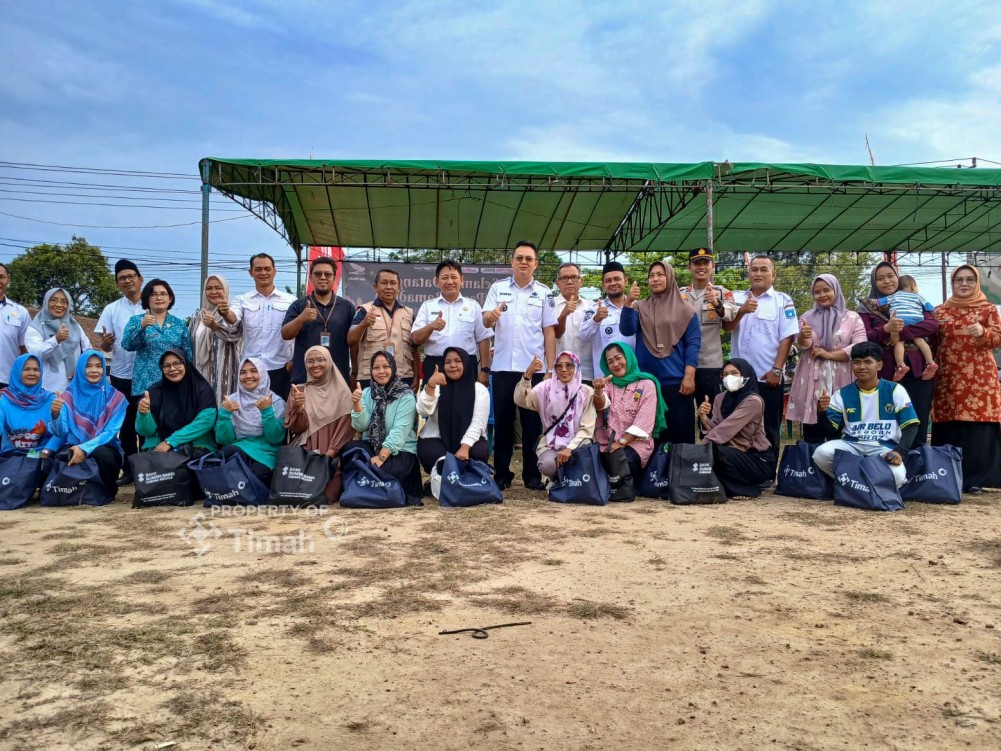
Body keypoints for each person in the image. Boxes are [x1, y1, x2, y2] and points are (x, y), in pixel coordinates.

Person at [483, 241, 557, 491]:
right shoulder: (498, 288)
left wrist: (550, 370)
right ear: (512, 262)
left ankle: (532, 476)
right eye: (519, 258)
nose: (523, 262)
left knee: (532, 425)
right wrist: (491, 316)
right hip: (503, 367)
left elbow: (549, 332)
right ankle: (502, 474)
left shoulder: (545, 293)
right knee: (503, 423)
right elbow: (485, 320)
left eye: (528, 258)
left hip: (534, 369)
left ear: (536, 263)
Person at [930, 265, 1001, 493]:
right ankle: (947, 476)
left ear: (977, 282)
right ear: (952, 283)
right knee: (949, 425)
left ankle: (975, 480)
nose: (964, 284)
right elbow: (931, 343)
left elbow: (998, 339)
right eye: (959, 279)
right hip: (948, 377)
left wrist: (983, 332)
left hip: (980, 378)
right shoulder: (940, 311)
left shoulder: (988, 309)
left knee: (977, 429)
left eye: (970, 279)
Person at [811, 342, 919, 489]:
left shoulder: (895, 390)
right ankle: (860, 486)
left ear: (879, 365)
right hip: (852, 445)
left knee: (898, 478)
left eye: (868, 362)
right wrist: (822, 413)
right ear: (851, 365)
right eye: (857, 362)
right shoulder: (842, 394)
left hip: (884, 447)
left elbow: (911, 425)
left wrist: (900, 451)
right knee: (820, 454)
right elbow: (830, 431)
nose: (862, 367)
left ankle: (854, 484)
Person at [620, 260, 701, 445]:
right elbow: (627, 329)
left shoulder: (686, 311)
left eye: (660, 275)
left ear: (670, 277)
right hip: (648, 384)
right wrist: (628, 302)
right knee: (650, 438)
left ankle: (679, 465)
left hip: (676, 382)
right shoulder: (640, 307)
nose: (655, 279)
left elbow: (693, 344)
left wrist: (689, 376)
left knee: (680, 437)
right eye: (651, 276)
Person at [857, 261, 938, 446]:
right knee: (887, 424)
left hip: (919, 372)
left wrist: (900, 332)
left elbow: (932, 325)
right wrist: (886, 329)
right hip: (885, 374)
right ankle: (887, 462)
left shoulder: (913, 300)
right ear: (874, 282)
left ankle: (917, 462)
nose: (887, 281)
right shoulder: (867, 307)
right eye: (880, 278)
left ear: (897, 277)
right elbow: (864, 337)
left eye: (890, 276)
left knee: (917, 421)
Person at [725, 255, 798, 459]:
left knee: (769, 429)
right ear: (748, 273)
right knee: (737, 428)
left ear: (773, 274)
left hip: (768, 378)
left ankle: (768, 470)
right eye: (754, 269)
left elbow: (788, 337)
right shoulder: (735, 297)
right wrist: (741, 311)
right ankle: (742, 468)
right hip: (738, 380)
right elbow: (726, 326)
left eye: (764, 269)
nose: (758, 273)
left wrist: (777, 370)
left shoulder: (783, 301)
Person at [785, 274, 867, 443]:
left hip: (842, 378)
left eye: (826, 290)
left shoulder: (852, 318)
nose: (822, 295)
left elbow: (860, 347)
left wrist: (828, 355)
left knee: (841, 430)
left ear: (836, 290)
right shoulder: (807, 317)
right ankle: (812, 459)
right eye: (817, 292)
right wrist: (804, 336)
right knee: (813, 432)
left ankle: (841, 459)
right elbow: (804, 345)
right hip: (812, 378)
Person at [49, 350, 127, 498]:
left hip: (104, 446)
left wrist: (84, 448)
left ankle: (104, 493)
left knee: (104, 455)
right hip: (73, 445)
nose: (94, 370)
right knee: (60, 457)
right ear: (80, 369)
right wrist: (55, 414)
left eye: (99, 366)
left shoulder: (116, 398)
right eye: (88, 366)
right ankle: (71, 494)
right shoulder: (66, 396)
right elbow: (60, 432)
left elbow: (110, 433)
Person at [346, 351, 422, 499]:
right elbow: (361, 427)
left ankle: (365, 486)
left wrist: (381, 457)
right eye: (376, 368)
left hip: (400, 450)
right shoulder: (367, 393)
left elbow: (400, 432)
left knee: (385, 472)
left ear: (393, 368)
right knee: (350, 451)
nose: (381, 371)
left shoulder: (406, 395)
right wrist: (356, 404)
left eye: (386, 366)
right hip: (373, 446)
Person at [284, 346, 355, 502]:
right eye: (310, 361)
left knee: (326, 495)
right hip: (304, 451)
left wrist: (328, 455)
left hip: (331, 453)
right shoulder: (299, 391)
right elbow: (297, 428)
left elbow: (346, 428)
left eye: (320, 360)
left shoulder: (343, 392)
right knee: (297, 494)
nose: (315, 365)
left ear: (328, 362)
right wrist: (297, 409)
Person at [97, 259, 146, 483]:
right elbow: (105, 346)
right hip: (121, 374)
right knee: (126, 424)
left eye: (131, 276)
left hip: (148, 374)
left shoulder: (151, 304)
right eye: (122, 278)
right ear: (117, 284)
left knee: (147, 421)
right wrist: (105, 343)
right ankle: (128, 470)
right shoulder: (111, 309)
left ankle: (148, 467)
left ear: (140, 278)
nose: (127, 281)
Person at [698, 359, 776, 499]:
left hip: (756, 458)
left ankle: (747, 489)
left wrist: (699, 450)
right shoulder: (719, 398)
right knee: (714, 453)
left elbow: (725, 430)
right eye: (725, 374)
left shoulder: (753, 401)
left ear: (745, 375)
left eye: (734, 373)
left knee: (715, 452)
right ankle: (730, 488)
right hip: (732, 452)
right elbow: (717, 428)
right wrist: (704, 419)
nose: (729, 377)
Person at [223, 253, 296, 401]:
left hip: (281, 367)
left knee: (280, 410)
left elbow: (298, 332)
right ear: (251, 272)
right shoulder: (242, 300)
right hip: (251, 369)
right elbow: (233, 318)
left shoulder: (290, 300)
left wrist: (295, 359)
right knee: (250, 410)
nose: (263, 273)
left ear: (274, 271)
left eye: (267, 269)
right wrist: (225, 313)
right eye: (258, 269)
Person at [515, 351, 596, 482]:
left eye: (569, 365)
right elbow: (521, 401)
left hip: (580, 445)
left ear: (576, 367)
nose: (564, 369)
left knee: (582, 463)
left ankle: (574, 483)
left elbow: (587, 428)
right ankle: (556, 481)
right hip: (552, 445)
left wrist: (570, 448)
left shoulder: (586, 391)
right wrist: (527, 376)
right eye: (559, 366)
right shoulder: (546, 388)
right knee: (547, 465)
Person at [592, 343, 667, 480]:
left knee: (622, 462)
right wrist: (598, 391)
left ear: (628, 357)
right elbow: (600, 406)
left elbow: (643, 423)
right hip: (606, 443)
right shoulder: (608, 384)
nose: (615, 364)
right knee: (589, 461)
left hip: (636, 444)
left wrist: (620, 443)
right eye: (610, 361)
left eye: (618, 358)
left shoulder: (646, 384)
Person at [412, 261, 492, 384]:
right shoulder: (427, 306)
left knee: (466, 397)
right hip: (435, 365)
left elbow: (483, 339)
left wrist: (485, 370)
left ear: (462, 280)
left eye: (454, 277)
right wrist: (431, 327)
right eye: (444, 278)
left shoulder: (473, 306)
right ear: (437, 281)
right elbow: (415, 339)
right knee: (434, 397)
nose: (450, 282)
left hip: (466, 364)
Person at [281, 256, 355, 386]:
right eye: (318, 274)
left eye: (328, 274)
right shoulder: (299, 305)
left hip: (338, 378)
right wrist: (301, 319)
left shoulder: (347, 307)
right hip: (305, 378)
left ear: (334, 278)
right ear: (310, 277)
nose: (323, 277)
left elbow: (354, 343)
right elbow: (286, 334)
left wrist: (354, 372)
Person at [679, 247, 738, 407]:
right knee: (682, 412)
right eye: (696, 263)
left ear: (713, 266)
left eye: (706, 263)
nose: (701, 267)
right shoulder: (680, 294)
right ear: (689, 267)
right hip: (683, 363)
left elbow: (731, 315)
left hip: (710, 364)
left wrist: (717, 303)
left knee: (710, 412)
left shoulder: (722, 293)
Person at [416, 346, 491, 473]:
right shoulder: (436, 386)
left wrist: (465, 447)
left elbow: (478, 422)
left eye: (458, 361)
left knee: (479, 451)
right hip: (438, 436)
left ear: (466, 363)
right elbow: (423, 411)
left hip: (469, 439)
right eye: (448, 362)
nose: (452, 365)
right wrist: (430, 385)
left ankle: (469, 479)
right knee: (430, 453)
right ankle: (441, 480)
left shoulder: (479, 389)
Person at [215, 357, 287, 487]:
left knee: (258, 474)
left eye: (254, 371)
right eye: (243, 372)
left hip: (266, 452)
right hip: (238, 448)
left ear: (262, 374)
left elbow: (276, 438)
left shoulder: (276, 401)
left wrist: (267, 411)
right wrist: (224, 414)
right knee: (227, 454)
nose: (248, 376)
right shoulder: (231, 401)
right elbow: (223, 440)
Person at [347, 268, 418, 390]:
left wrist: (416, 377)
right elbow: (350, 340)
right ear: (375, 286)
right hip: (371, 377)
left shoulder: (408, 313)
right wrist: (363, 324)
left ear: (399, 287)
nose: (389, 287)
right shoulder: (365, 310)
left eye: (393, 283)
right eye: (384, 283)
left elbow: (414, 348)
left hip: (403, 376)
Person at [136, 349, 217, 455]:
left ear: (186, 364)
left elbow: (205, 422)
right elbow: (146, 431)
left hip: (195, 446)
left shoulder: (202, 390)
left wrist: (170, 441)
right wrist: (143, 414)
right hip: (158, 448)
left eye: (177, 363)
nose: (172, 369)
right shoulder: (154, 392)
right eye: (166, 366)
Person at [121, 279, 193, 396]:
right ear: (146, 298)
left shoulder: (179, 324)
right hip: (145, 385)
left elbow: (187, 355)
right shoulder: (136, 320)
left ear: (170, 298)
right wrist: (142, 326)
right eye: (153, 294)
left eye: (163, 294)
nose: (158, 298)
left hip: (174, 384)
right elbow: (127, 345)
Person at [868, 274, 938, 381]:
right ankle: (930, 362)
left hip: (899, 321)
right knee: (920, 341)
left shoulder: (894, 296)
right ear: (913, 286)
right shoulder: (918, 296)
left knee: (899, 342)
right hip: (916, 321)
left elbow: (879, 302)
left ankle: (900, 365)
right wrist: (934, 313)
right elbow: (930, 308)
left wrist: (870, 301)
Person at [189, 274, 242, 403]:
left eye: (218, 288)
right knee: (203, 408)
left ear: (225, 291)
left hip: (225, 375)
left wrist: (214, 325)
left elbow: (233, 334)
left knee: (224, 407)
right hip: (200, 373)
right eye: (209, 288)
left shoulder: (232, 314)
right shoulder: (197, 318)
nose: (213, 292)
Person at [579, 261, 636, 380]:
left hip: (634, 377)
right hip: (606, 379)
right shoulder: (595, 309)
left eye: (617, 279)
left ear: (625, 281)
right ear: (603, 285)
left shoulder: (638, 307)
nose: (613, 283)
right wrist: (596, 319)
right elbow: (583, 337)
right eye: (608, 280)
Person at [25, 288, 88, 392]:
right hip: (45, 390)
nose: (59, 304)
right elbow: (35, 355)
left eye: (64, 301)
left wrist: (80, 369)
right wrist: (55, 340)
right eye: (53, 300)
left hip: (73, 391)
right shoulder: (35, 328)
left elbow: (88, 351)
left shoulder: (75, 327)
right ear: (46, 302)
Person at [0, 354, 62, 458]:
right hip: (11, 458)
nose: (32, 373)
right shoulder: (5, 399)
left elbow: (60, 434)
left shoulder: (51, 399)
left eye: (36, 369)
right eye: (26, 369)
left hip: (42, 458)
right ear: (17, 372)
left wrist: (56, 415)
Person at [552, 262, 595, 383]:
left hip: (587, 374)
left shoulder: (592, 307)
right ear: (557, 283)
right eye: (564, 278)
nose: (569, 281)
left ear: (581, 281)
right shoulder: (549, 306)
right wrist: (563, 314)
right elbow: (553, 334)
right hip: (559, 375)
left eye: (574, 277)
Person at [0, 262, 30, 390]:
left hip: (7, 382)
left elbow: (26, 350)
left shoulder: (21, 312)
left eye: (1, 277)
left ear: (8, 280)